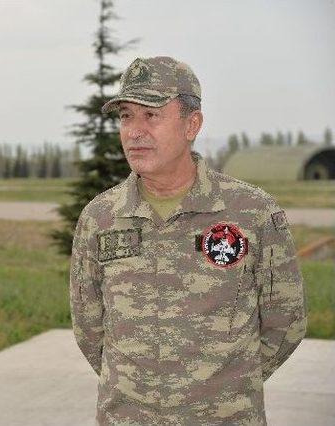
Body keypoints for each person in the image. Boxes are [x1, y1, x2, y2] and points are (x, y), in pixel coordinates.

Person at [70, 56, 306, 425]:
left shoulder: (251, 212)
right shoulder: (100, 218)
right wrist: (143, 388)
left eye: (151, 115)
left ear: (192, 124)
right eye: (126, 116)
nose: (134, 131)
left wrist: (223, 386)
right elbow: (89, 328)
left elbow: (286, 319)